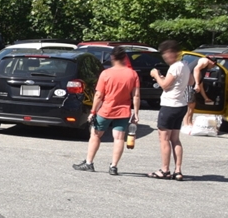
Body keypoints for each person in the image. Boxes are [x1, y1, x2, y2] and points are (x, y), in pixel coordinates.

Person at [74, 47, 140, 175]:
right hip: (124, 111)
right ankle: (113, 166)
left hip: (106, 110)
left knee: (95, 135)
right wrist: (136, 113)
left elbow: (99, 95)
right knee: (119, 138)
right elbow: (136, 96)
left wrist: (93, 111)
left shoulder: (106, 73)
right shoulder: (132, 74)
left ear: (112, 57)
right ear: (124, 58)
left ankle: (89, 163)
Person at [148, 39, 189, 180]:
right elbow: (190, 82)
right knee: (175, 139)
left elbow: (165, 86)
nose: (165, 56)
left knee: (164, 138)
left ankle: (165, 169)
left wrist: (156, 75)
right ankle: (178, 170)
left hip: (170, 105)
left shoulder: (175, 67)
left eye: (166, 53)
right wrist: (165, 79)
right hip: (181, 105)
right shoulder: (185, 66)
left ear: (173, 52)